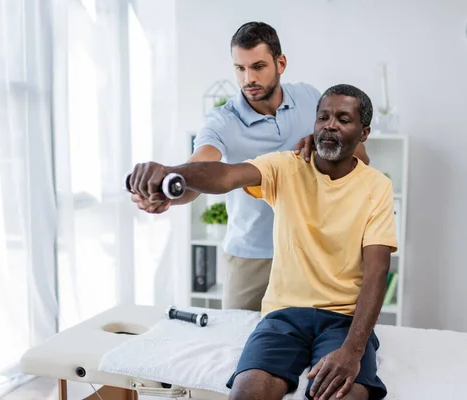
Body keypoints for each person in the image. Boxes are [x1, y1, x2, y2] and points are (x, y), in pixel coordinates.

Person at [128, 84, 396, 400]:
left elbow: (377, 272)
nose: (330, 125)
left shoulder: (377, 187)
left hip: (342, 319)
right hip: (283, 317)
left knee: (345, 396)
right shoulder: (285, 165)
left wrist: (353, 350)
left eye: (343, 118)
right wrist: (171, 171)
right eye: (323, 117)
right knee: (246, 392)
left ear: (363, 133)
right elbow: (226, 175)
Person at [130, 21, 369, 312]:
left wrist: (325, 142)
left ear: (280, 63)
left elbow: (362, 158)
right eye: (240, 69)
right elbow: (201, 168)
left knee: (308, 343)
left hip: (310, 251)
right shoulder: (223, 120)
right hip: (252, 257)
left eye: (258, 66)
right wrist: (168, 186)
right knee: (237, 346)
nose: (248, 79)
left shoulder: (310, 99)